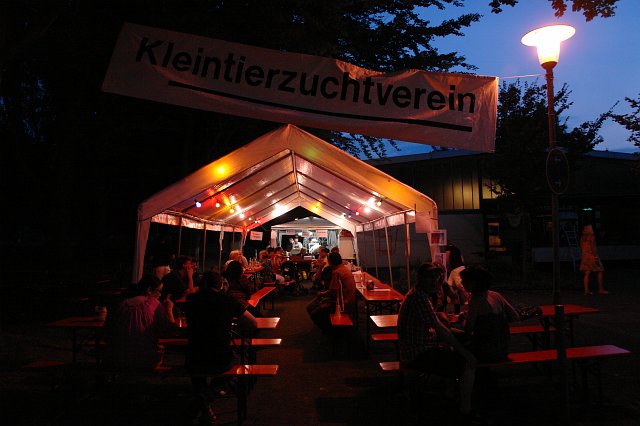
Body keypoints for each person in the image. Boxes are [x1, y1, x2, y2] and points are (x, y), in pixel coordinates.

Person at [397, 263, 477, 416]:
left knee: (452, 348)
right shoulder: (419, 298)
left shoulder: (418, 294)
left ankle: (449, 396)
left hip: (416, 349)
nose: (434, 282)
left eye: (437, 278)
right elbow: (439, 329)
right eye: (430, 278)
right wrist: (465, 353)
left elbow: (437, 327)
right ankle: (466, 409)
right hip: (417, 354)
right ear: (420, 278)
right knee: (466, 362)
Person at [184, 271, 257, 425]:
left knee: (197, 370)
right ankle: (205, 398)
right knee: (235, 361)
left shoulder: (191, 300)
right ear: (221, 285)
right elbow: (252, 322)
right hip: (219, 356)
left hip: (193, 356)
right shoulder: (227, 300)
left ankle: (204, 406)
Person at [104, 275, 178, 371]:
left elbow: (107, 332)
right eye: (159, 291)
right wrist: (169, 309)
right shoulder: (154, 304)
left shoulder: (121, 304)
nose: (160, 294)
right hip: (145, 359)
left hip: (118, 358)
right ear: (149, 290)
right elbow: (170, 330)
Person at [459, 265, 520, 363]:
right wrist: (497, 320)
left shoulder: (475, 300)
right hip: (503, 349)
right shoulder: (496, 295)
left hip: (485, 351)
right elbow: (515, 316)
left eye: (464, 280)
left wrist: (462, 319)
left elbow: (468, 330)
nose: (461, 283)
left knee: (455, 344)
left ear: (473, 283)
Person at [306, 252, 356, 331]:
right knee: (317, 305)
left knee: (314, 313)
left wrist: (322, 294)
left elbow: (333, 292)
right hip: (350, 302)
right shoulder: (345, 269)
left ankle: (329, 331)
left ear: (330, 262)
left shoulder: (337, 272)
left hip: (342, 304)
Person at [579, 224, 607, 295]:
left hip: (585, 256)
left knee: (587, 273)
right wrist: (595, 257)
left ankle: (586, 290)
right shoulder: (591, 237)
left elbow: (581, 247)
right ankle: (601, 289)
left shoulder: (582, 237)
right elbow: (593, 247)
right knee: (600, 270)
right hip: (591, 256)